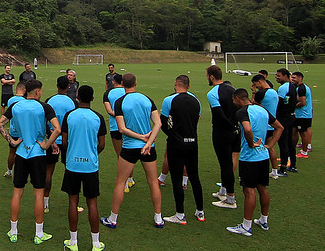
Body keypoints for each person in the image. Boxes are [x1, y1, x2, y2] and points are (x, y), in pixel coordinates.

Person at [0, 79, 60, 245]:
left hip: (21, 153)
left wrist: (12, 141)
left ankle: (13, 231)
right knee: (38, 192)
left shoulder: (15, 106)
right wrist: (46, 144)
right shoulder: (44, 107)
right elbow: (57, 129)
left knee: (17, 191)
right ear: (37, 92)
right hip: (38, 154)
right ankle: (39, 233)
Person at [101, 73, 164, 229]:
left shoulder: (120, 102)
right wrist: (148, 142)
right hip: (148, 148)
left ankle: (113, 219)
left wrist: (141, 138)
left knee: (120, 182)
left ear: (122, 84)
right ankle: (158, 218)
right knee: (153, 182)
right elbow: (158, 124)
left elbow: (122, 129)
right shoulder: (147, 99)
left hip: (129, 147)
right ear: (136, 83)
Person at [226, 88, 283, 236]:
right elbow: (279, 127)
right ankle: (264, 220)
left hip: (249, 157)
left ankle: (246, 226)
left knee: (249, 191)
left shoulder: (242, 112)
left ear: (238, 99)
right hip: (263, 156)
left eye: (233, 100)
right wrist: (270, 145)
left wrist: (251, 143)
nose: (233, 102)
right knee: (262, 188)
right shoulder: (262, 109)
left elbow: (247, 129)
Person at [61, 85, 107, 251]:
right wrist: (91, 154)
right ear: (93, 98)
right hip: (90, 166)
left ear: (77, 96)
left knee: (73, 201)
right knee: (92, 203)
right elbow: (101, 144)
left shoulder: (69, 116)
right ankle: (96, 243)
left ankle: (73, 241)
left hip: (73, 164)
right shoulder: (98, 117)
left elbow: (64, 142)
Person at [161, 75, 205, 224]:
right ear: (188, 86)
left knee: (176, 179)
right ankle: (200, 211)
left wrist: (173, 135)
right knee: (194, 177)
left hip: (176, 144)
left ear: (175, 84)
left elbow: (163, 122)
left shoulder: (169, 100)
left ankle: (180, 214)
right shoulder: (196, 100)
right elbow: (196, 120)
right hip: (192, 143)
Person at [43, 76, 78, 214]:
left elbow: (44, 121)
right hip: (67, 142)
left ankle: (45, 203)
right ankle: (74, 204)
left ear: (57, 86)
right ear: (68, 87)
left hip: (52, 140)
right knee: (71, 171)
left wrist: (49, 136)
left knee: (48, 171)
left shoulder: (49, 100)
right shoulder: (73, 102)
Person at [206, 65, 239, 210]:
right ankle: (223, 191)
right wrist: (236, 126)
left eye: (207, 76)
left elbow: (219, 115)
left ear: (212, 77)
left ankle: (230, 199)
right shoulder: (232, 89)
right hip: (236, 131)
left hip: (223, 132)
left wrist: (230, 127)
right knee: (228, 162)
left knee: (225, 164)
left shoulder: (212, 93)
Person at [103, 73, 136, 192]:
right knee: (129, 153)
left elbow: (109, 111)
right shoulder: (128, 92)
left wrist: (118, 116)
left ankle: (125, 183)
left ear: (113, 82)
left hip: (115, 127)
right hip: (129, 127)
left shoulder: (108, 93)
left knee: (120, 156)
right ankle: (130, 179)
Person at [251, 74, 280, 179]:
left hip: (262, 126)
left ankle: (256, 171)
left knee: (257, 148)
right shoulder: (274, 92)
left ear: (260, 81)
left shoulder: (261, 93)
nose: (256, 87)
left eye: (256, 85)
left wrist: (253, 92)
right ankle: (275, 171)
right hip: (272, 124)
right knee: (270, 148)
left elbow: (252, 104)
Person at [275, 68, 298, 175]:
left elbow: (278, 103)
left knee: (283, 142)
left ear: (285, 76)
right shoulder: (292, 86)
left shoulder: (283, 87)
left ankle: (283, 168)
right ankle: (293, 165)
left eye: (279, 76)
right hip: (291, 116)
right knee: (289, 142)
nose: (277, 77)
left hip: (283, 118)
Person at [2, 82, 27, 178]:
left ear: (16, 89)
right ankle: (22, 172)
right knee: (23, 152)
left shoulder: (10, 100)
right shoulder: (25, 100)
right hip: (23, 131)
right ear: (24, 90)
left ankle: (9, 171)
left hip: (13, 130)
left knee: (12, 152)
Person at [292, 71, 313, 158]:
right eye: (292, 77)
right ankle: (305, 147)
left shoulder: (301, 88)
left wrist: (292, 106)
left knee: (302, 133)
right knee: (297, 131)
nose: (292, 79)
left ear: (300, 78)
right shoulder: (302, 87)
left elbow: (303, 103)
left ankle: (304, 152)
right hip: (305, 113)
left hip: (302, 115)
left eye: (294, 78)